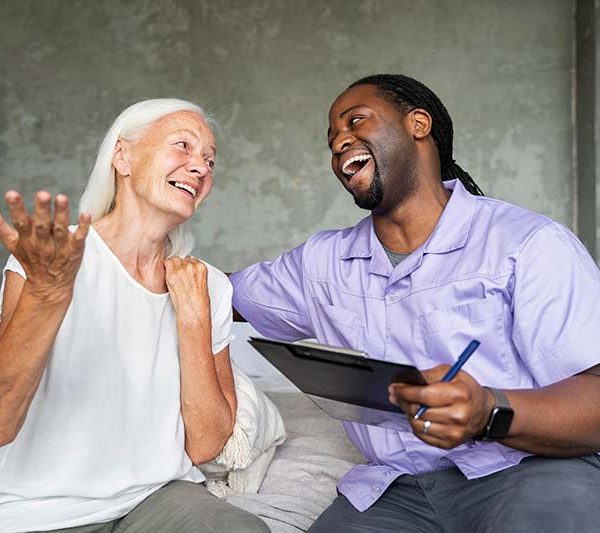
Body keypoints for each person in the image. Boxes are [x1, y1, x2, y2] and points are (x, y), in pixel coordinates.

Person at [230, 74, 600, 532]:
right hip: (394, 491)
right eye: (332, 139)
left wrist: (489, 410)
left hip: (526, 471)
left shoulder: (528, 243)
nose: (340, 142)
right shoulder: (321, 263)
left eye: (355, 121)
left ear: (418, 124)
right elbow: (217, 293)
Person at [0, 99, 269, 533]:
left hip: (157, 498)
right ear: (122, 156)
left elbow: (206, 446)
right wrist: (46, 295)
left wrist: (194, 320)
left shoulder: (209, 285)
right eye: (182, 145)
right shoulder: (54, 257)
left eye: (209, 159)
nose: (199, 167)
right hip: (37, 508)